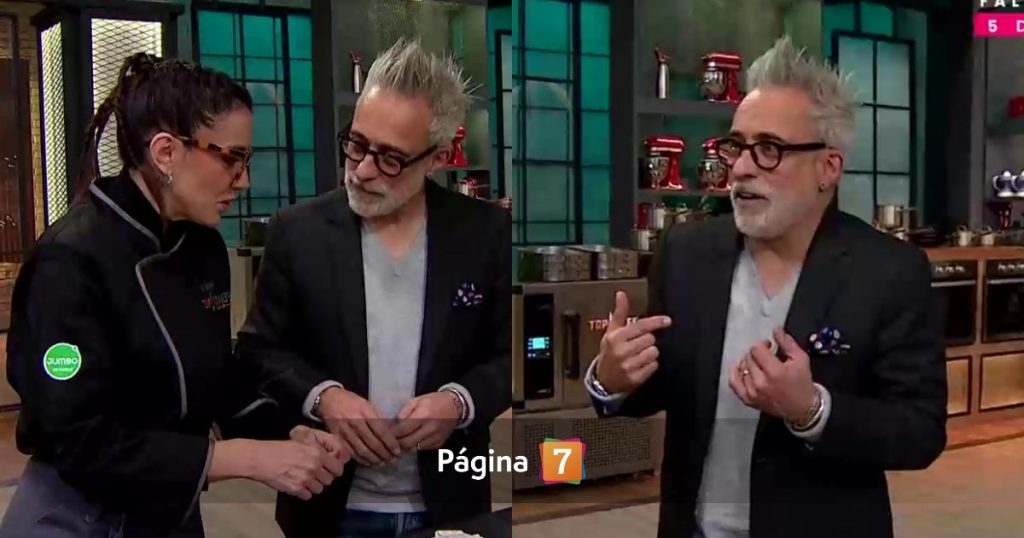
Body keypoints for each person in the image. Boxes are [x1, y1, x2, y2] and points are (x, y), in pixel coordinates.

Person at [586, 37, 947, 538]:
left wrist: (811, 409)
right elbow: (663, 386)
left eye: (769, 149)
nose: (740, 168)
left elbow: (920, 431)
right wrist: (612, 379)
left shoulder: (888, 271)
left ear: (828, 168)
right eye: (736, 146)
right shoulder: (688, 252)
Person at [0, 53, 348, 537]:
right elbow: (77, 438)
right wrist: (241, 457)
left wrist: (287, 431)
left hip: (168, 512)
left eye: (247, 160)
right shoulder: (70, 259)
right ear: (165, 152)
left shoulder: (202, 246)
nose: (244, 180)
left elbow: (214, 376)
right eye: (231, 158)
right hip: (77, 516)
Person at [235, 38, 511, 538]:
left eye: (390, 159)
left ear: (438, 158)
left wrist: (460, 402)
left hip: (452, 503)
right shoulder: (297, 232)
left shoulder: (486, 233)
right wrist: (324, 397)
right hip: (327, 503)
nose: (361, 170)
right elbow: (259, 352)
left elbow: (513, 355)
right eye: (357, 144)